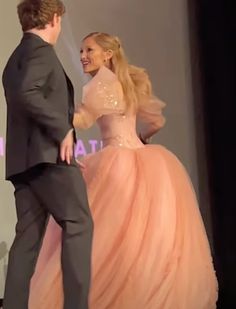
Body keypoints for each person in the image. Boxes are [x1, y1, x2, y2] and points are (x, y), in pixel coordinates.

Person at [29, 32, 218, 308]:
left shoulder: (98, 85)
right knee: (144, 238)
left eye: (89, 50)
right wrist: (141, 141)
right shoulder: (128, 82)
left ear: (107, 54)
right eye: (81, 51)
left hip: (115, 164)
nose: (82, 56)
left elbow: (83, 120)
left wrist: (53, 111)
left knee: (106, 237)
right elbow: (155, 122)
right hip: (145, 161)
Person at [2, 1, 93, 309]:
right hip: (48, 161)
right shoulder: (40, 52)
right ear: (54, 18)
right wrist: (63, 130)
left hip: (24, 165)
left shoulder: (15, 57)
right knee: (79, 223)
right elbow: (28, 92)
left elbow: (23, 95)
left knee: (26, 242)